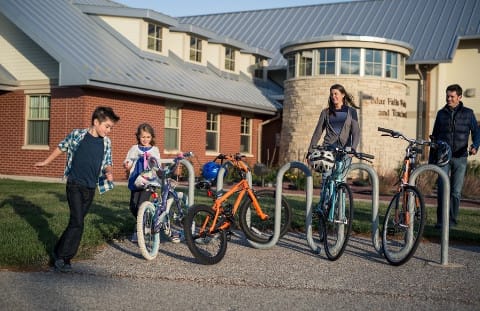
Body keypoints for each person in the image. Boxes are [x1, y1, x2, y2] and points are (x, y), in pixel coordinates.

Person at [34, 106, 120, 272]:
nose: (108, 130)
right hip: (74, 184)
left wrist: (109, 172)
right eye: (107, 126)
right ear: (96, 122)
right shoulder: (78, 135)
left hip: (90, 187)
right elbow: (61, 147)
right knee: (78, 222)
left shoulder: (106, 142)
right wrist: (46, 162)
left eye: (111, 128)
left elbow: (108, 162)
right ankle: (63, 259)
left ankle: (58, 251)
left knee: (75, 222)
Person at [430, 84, 480, 228]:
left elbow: (477, 132)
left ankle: (451, 221)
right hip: (443, 157)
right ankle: (440, 222)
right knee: (441, 189)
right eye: (447, 96)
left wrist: (475, 146)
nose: (449, 99)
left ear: (459, 97)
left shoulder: (468, 113)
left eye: (452, 96)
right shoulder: (441, 114)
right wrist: (432, 159)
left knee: (456, 192)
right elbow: (434, 136)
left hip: (461, 157)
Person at [123, 123, 161, 242]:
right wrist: (127, 164)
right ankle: (144, 222)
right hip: (136, 180)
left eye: (148, 137)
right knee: (133, 206)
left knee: (141, 205)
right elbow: (128, 160)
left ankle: (140, 229)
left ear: (152, 137)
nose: (145, 139)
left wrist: (153, 161)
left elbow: (158, 165)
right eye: (143, 137)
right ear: (138, 136)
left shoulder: (155, 150)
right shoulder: (134, 149)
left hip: (149, 180)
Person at [308, 83, 360, 154]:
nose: (333, 96)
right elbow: (317, 133)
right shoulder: (325, 112)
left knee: (344, 165)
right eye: (331, 94)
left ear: (343, 95)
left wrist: (353, 148)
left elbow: (356, 132)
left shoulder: (352, 112)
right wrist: (310, 151)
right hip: (328, 149)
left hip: (345, 150)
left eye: (336, 94)